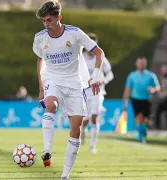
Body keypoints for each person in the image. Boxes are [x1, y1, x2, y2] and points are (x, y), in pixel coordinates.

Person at [32, 1, 105, 179]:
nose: (46, 24)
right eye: (44, 21)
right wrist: (42, 86)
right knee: (50, 104)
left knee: (76, 130)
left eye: (49, 20)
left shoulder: (74, 33)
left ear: (59, 17)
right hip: (53, 78)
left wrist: (95, 75)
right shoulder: (40, 37)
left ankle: (65, 175)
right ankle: (47, 150)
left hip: (74, 82)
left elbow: (99, 53)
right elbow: (40, 60)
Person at [80, 33, 114, 154]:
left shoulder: (101, 57)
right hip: (84, 92)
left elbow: (110, 74)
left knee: (94, 118)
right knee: (84, 121)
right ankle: (83, 131)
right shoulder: (81, 58)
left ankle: (92, 146)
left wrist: (103, 80)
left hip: (98, 92)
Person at [122, 57, 160, 143]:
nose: (141, 65)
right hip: (136, 99)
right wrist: (125, 100)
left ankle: (143, 131)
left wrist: (153, 90)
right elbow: (127, 89)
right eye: (140, 63)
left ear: (145, 64)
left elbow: (158, 87)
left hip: (147, 100)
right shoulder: (132, 76)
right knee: (138, 118)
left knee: (147, 120)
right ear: (136, 64)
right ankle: (140, 134)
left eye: (143, 63)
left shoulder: (151, 75)